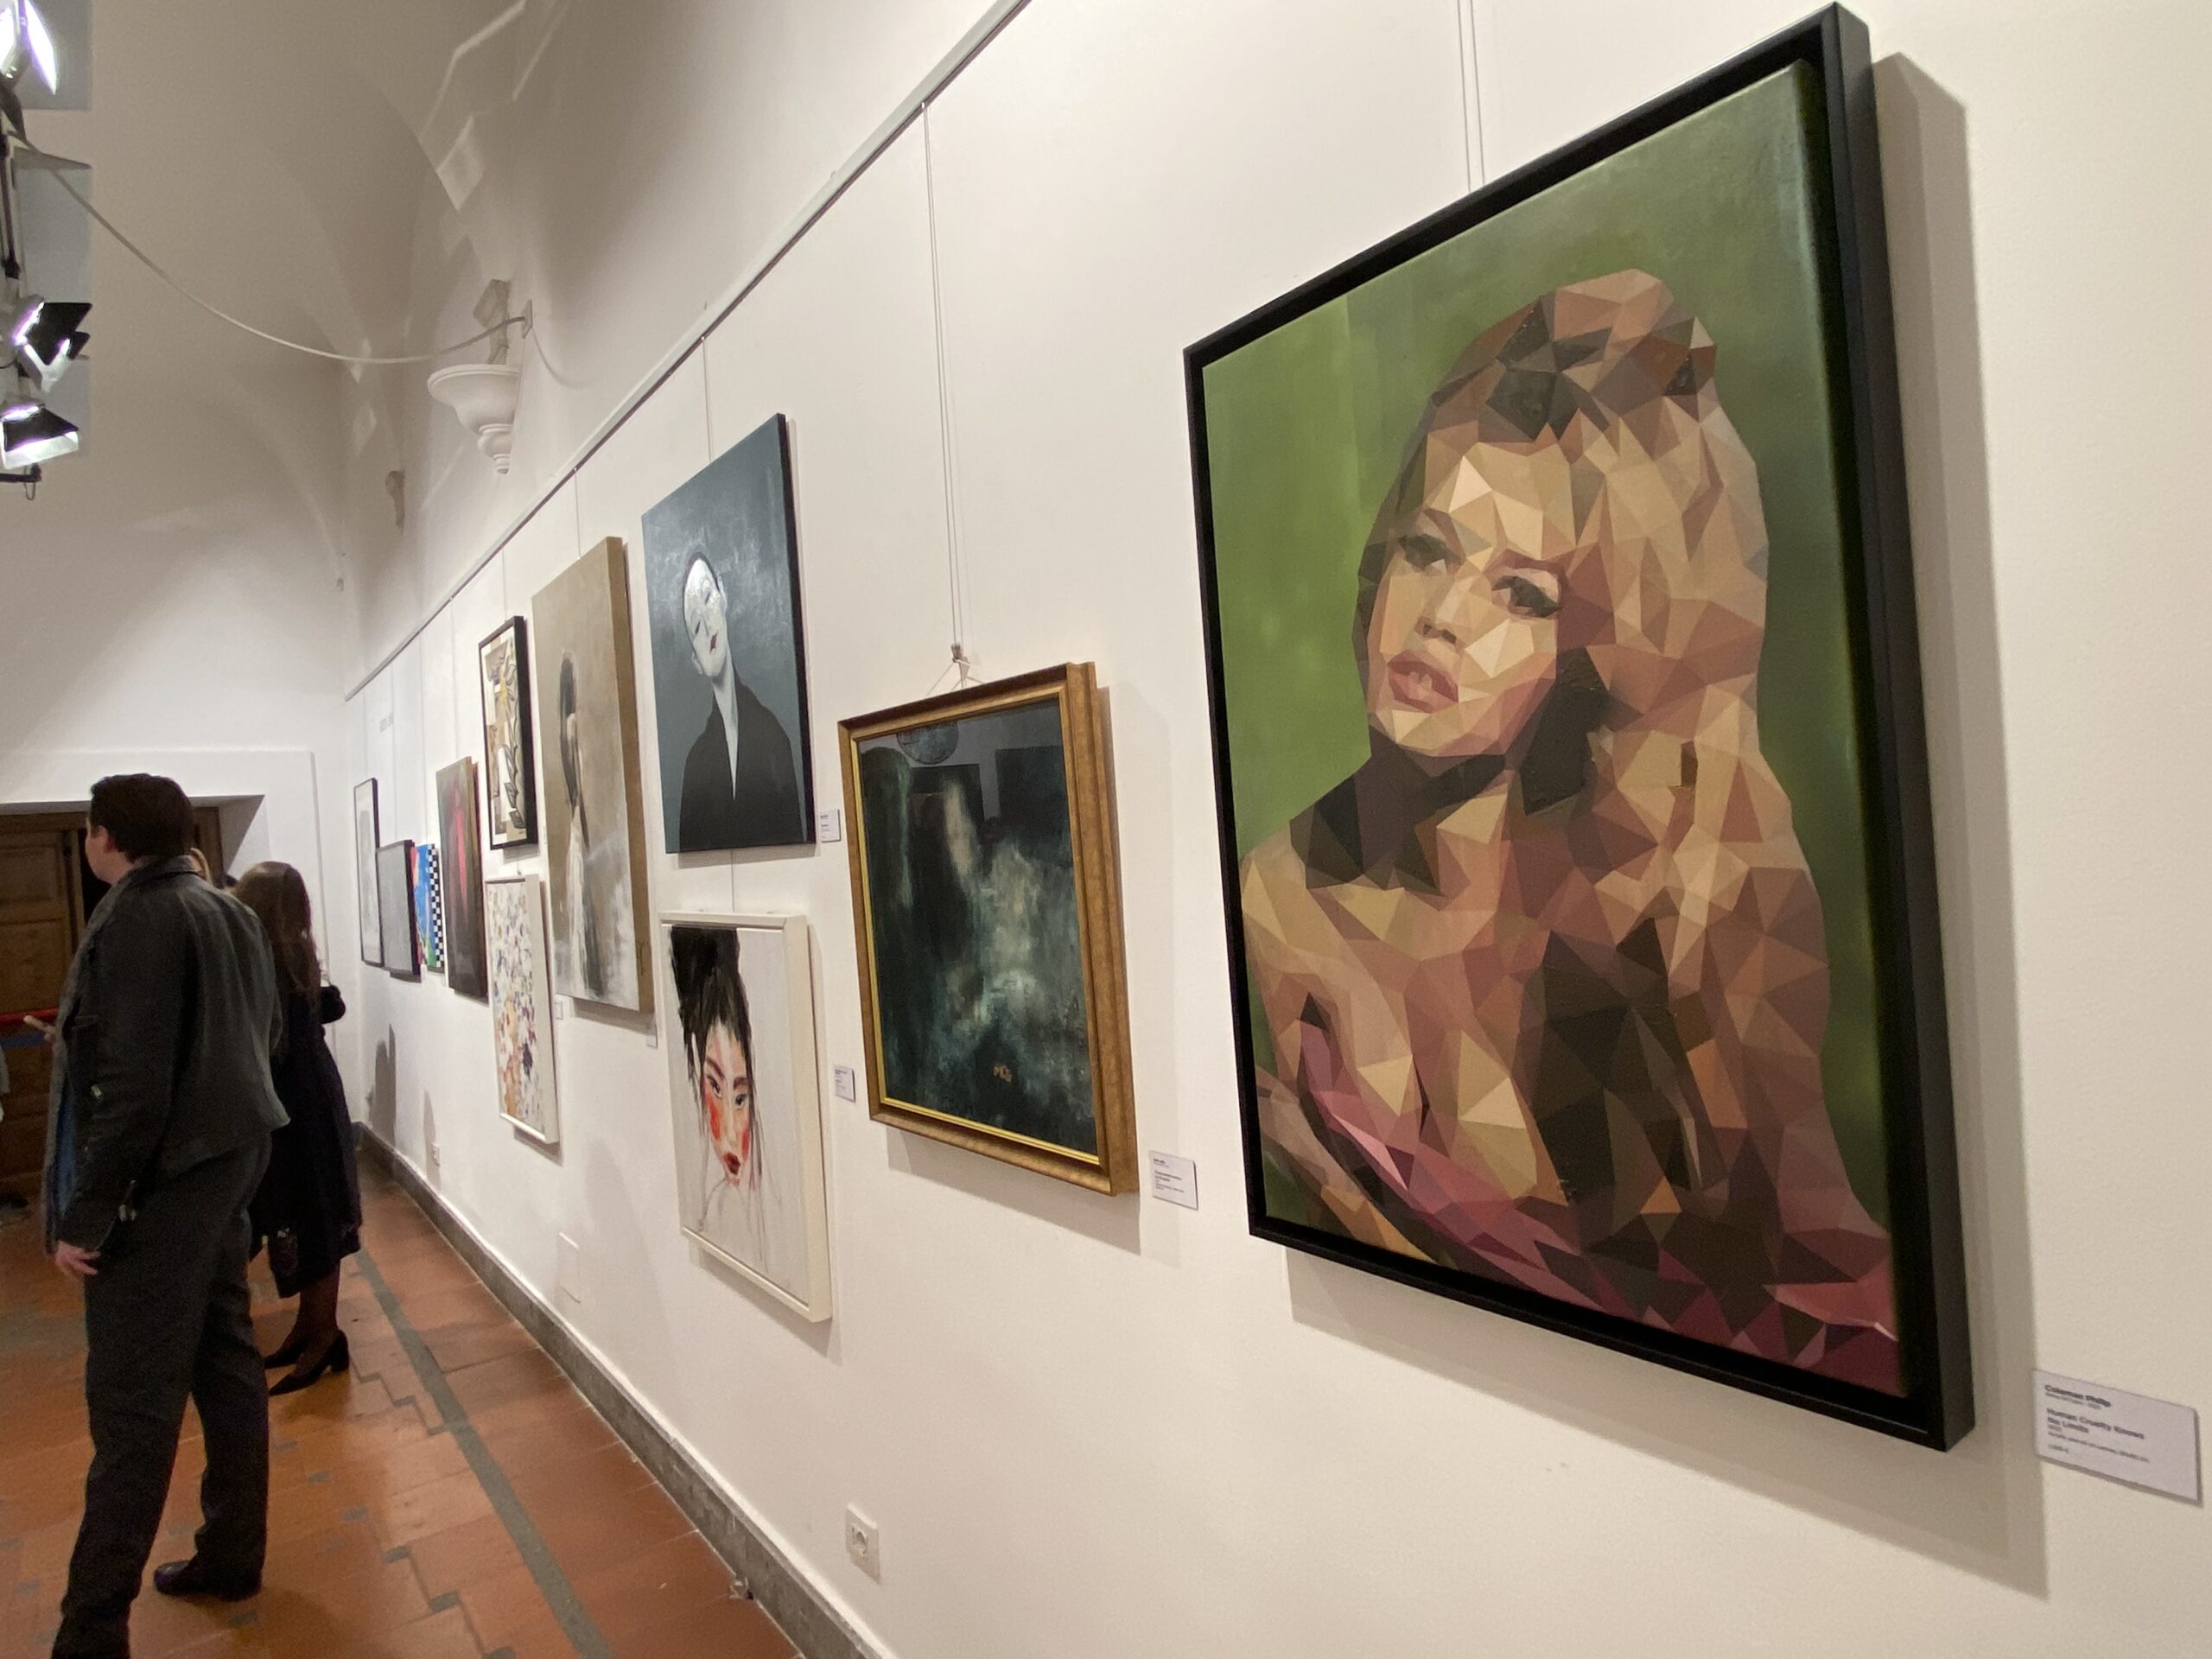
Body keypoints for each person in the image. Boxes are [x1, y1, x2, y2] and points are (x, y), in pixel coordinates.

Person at [1241, 272, 1899, 1389]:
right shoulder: (1280, 894)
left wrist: (1356, 1202)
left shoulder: (1675, 895)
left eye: (1524, 596)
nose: (1443, 619)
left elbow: (1828, 1313)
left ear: (1597, 657)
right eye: (1428, 550)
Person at [44, 774, 287, 1659]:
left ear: (108, 838)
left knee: (133, 1410)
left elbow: (137, 1087)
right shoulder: (227, 909)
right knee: (224, 1364)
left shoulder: (142, 917)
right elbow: (261, 1039)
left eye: (89, 830)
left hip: (165, 1186)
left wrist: (88, 1214)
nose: (87, 842)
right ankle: (232, 1552)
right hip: (225, 1165)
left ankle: (92, 1630)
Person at [234, 861, 360, 1395]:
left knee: (314, 1215)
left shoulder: (270, 957)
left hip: (297, 1102)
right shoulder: (290, 952)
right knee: (311, 1214)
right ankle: (311, 1328)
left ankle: (322, 1334)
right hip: (306, 1094)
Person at [675, 553, 805, 849]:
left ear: (724, 596)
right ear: (695, 661)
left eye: (708, 598)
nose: (708, 625)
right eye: (696, 627)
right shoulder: (696, 763)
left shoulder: (774, 735)